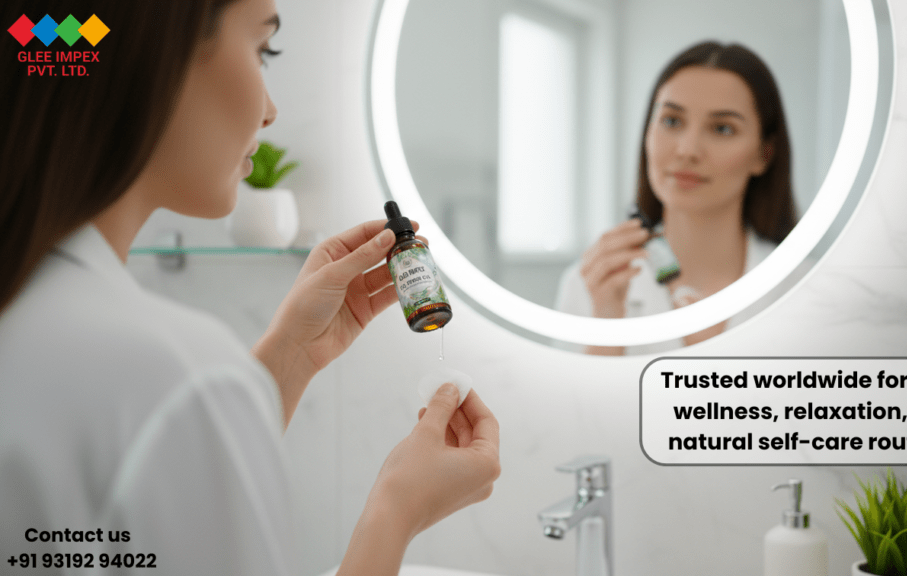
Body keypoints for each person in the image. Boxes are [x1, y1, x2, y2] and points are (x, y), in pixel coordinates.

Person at [0, 1, 500, 575]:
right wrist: (396, 511)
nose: (270, 110)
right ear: (155, 56)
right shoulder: (166, 374)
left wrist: (289, 355)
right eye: (264, 50)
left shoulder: (34, 318)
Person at [555, 41, 798, 355]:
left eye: (722, 128)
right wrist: (607, 328)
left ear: (764, 154)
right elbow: (568, 404)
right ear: (647, 134)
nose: (687, 150)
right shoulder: (588, 285)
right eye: (671, 121)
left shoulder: (813, 290)